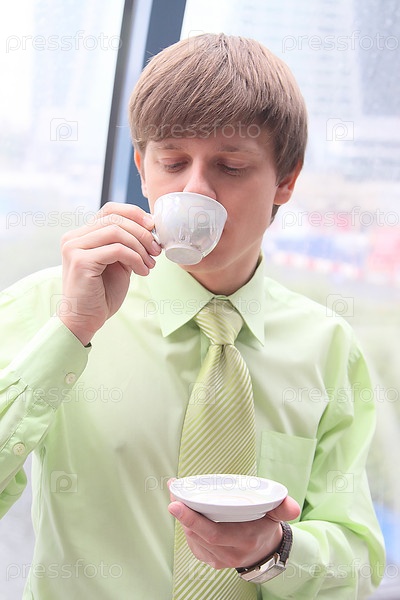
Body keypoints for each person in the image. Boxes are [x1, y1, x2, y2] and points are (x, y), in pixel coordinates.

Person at [0, 33, 384, 599]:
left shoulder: (327, 347)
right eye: (173, 162)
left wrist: (275, 550)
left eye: (230, 166)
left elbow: (357, 559)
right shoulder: (49, 307)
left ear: (285, 180)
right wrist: (70, 332)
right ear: (142, 167)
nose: (194, 190)